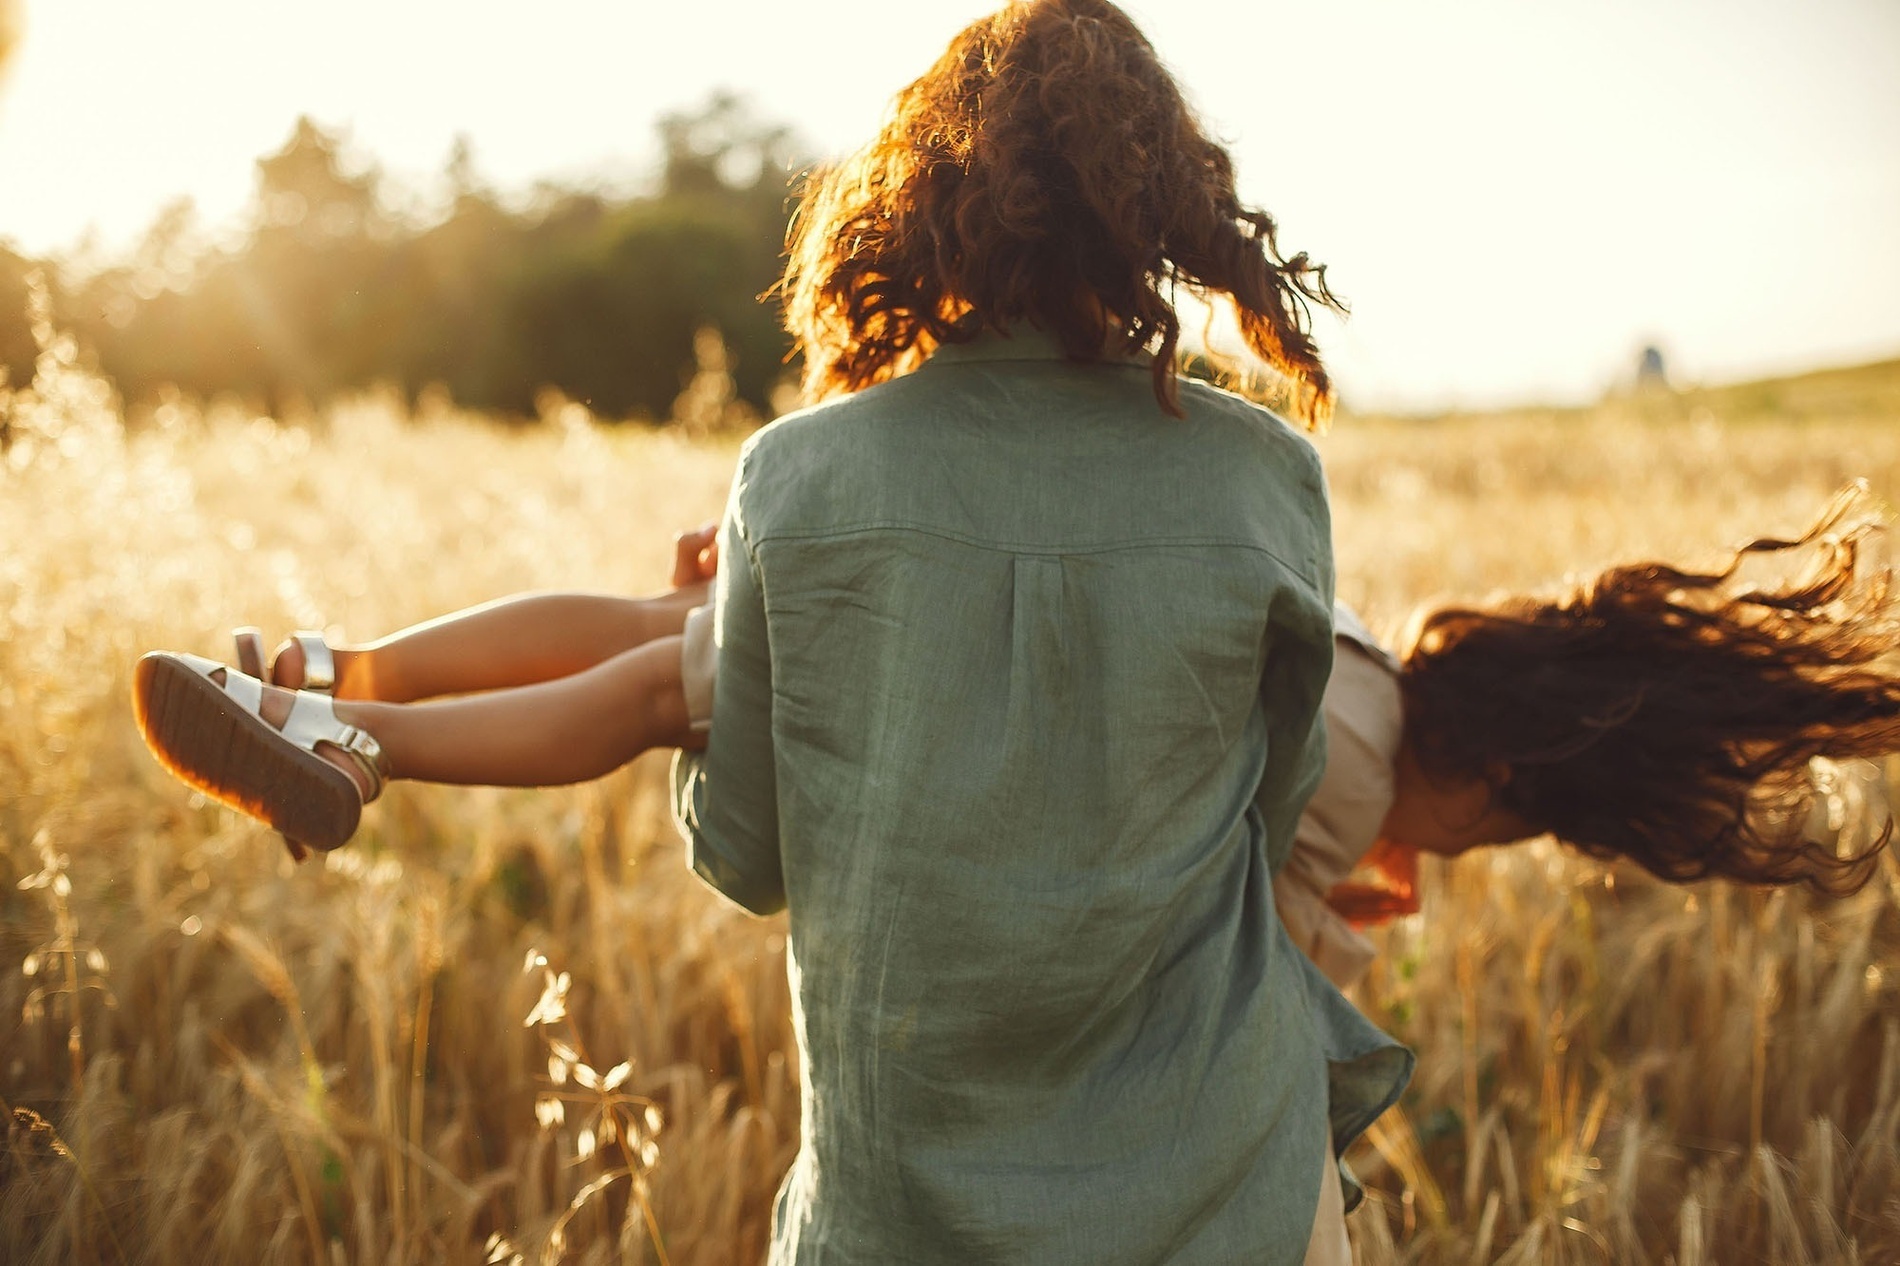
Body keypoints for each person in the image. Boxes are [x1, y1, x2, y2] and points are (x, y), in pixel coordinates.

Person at [137, 2, 1398, 1260]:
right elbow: (1271, 804)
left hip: (905, 1220)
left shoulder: (800, 479)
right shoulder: (1262, 478)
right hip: (1229, 1192)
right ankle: (343, 706)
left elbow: (745, 852)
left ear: (924, 205)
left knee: (655, 648)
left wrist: (753, 693)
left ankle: (340, 703)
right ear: (1158, 204)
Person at [1278, 482, 1900, 989]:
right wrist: (1316, 912)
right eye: (1479, 841)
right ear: (1491, 774)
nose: (1442, 856)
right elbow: (1235, 973)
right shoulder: (1353, 781)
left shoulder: (1352, 650)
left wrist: (1306, 874)